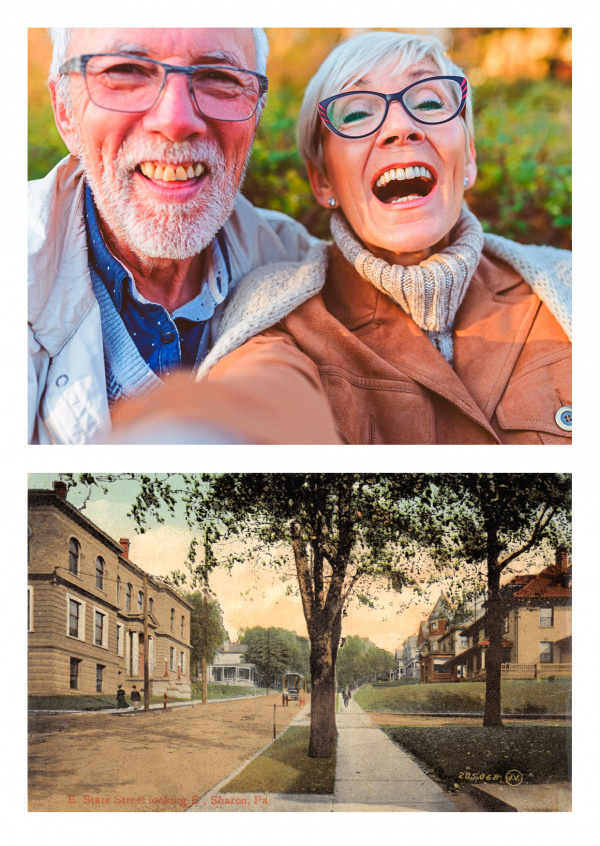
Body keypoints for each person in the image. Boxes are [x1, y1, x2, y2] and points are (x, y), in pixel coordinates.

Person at [169, 30, 570, 445]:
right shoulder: (279, 319)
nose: (400, 127)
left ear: (468, 156)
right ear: (323, 180)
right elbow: (258, 398)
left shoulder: (569, 286)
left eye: (430, 103)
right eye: (357, 114)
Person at [28, 27, 328, 445]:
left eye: (218, 78)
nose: (176, 121)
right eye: (126, 71)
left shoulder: (301, 265)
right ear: (65, 110)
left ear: (256, 112)